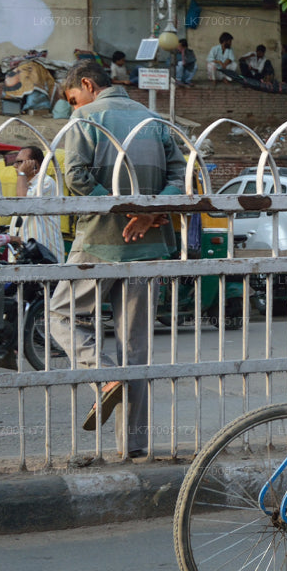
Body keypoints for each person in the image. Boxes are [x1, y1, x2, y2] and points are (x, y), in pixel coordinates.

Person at [49, 60, 186, 460]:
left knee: (59, 315)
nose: (74, 107)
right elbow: (180, 173)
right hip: (149, 246)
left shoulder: (87, 118)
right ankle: (136, 447)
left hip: (98, 242)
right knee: (136, 349)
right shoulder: (154, 119)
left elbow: (75, 174)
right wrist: (149, 212)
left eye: (73, 99)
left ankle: (105, 375)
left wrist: (122, 210)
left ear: (87, 85)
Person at [11, 146, 67, 264]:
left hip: (42, 252)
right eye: (16, 163)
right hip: (25, 252)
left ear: (34, 164)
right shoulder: (25, 184)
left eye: (20, 162)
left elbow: (23, 203)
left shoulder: (46, 183)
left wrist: (22, 174)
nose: (16, 166)